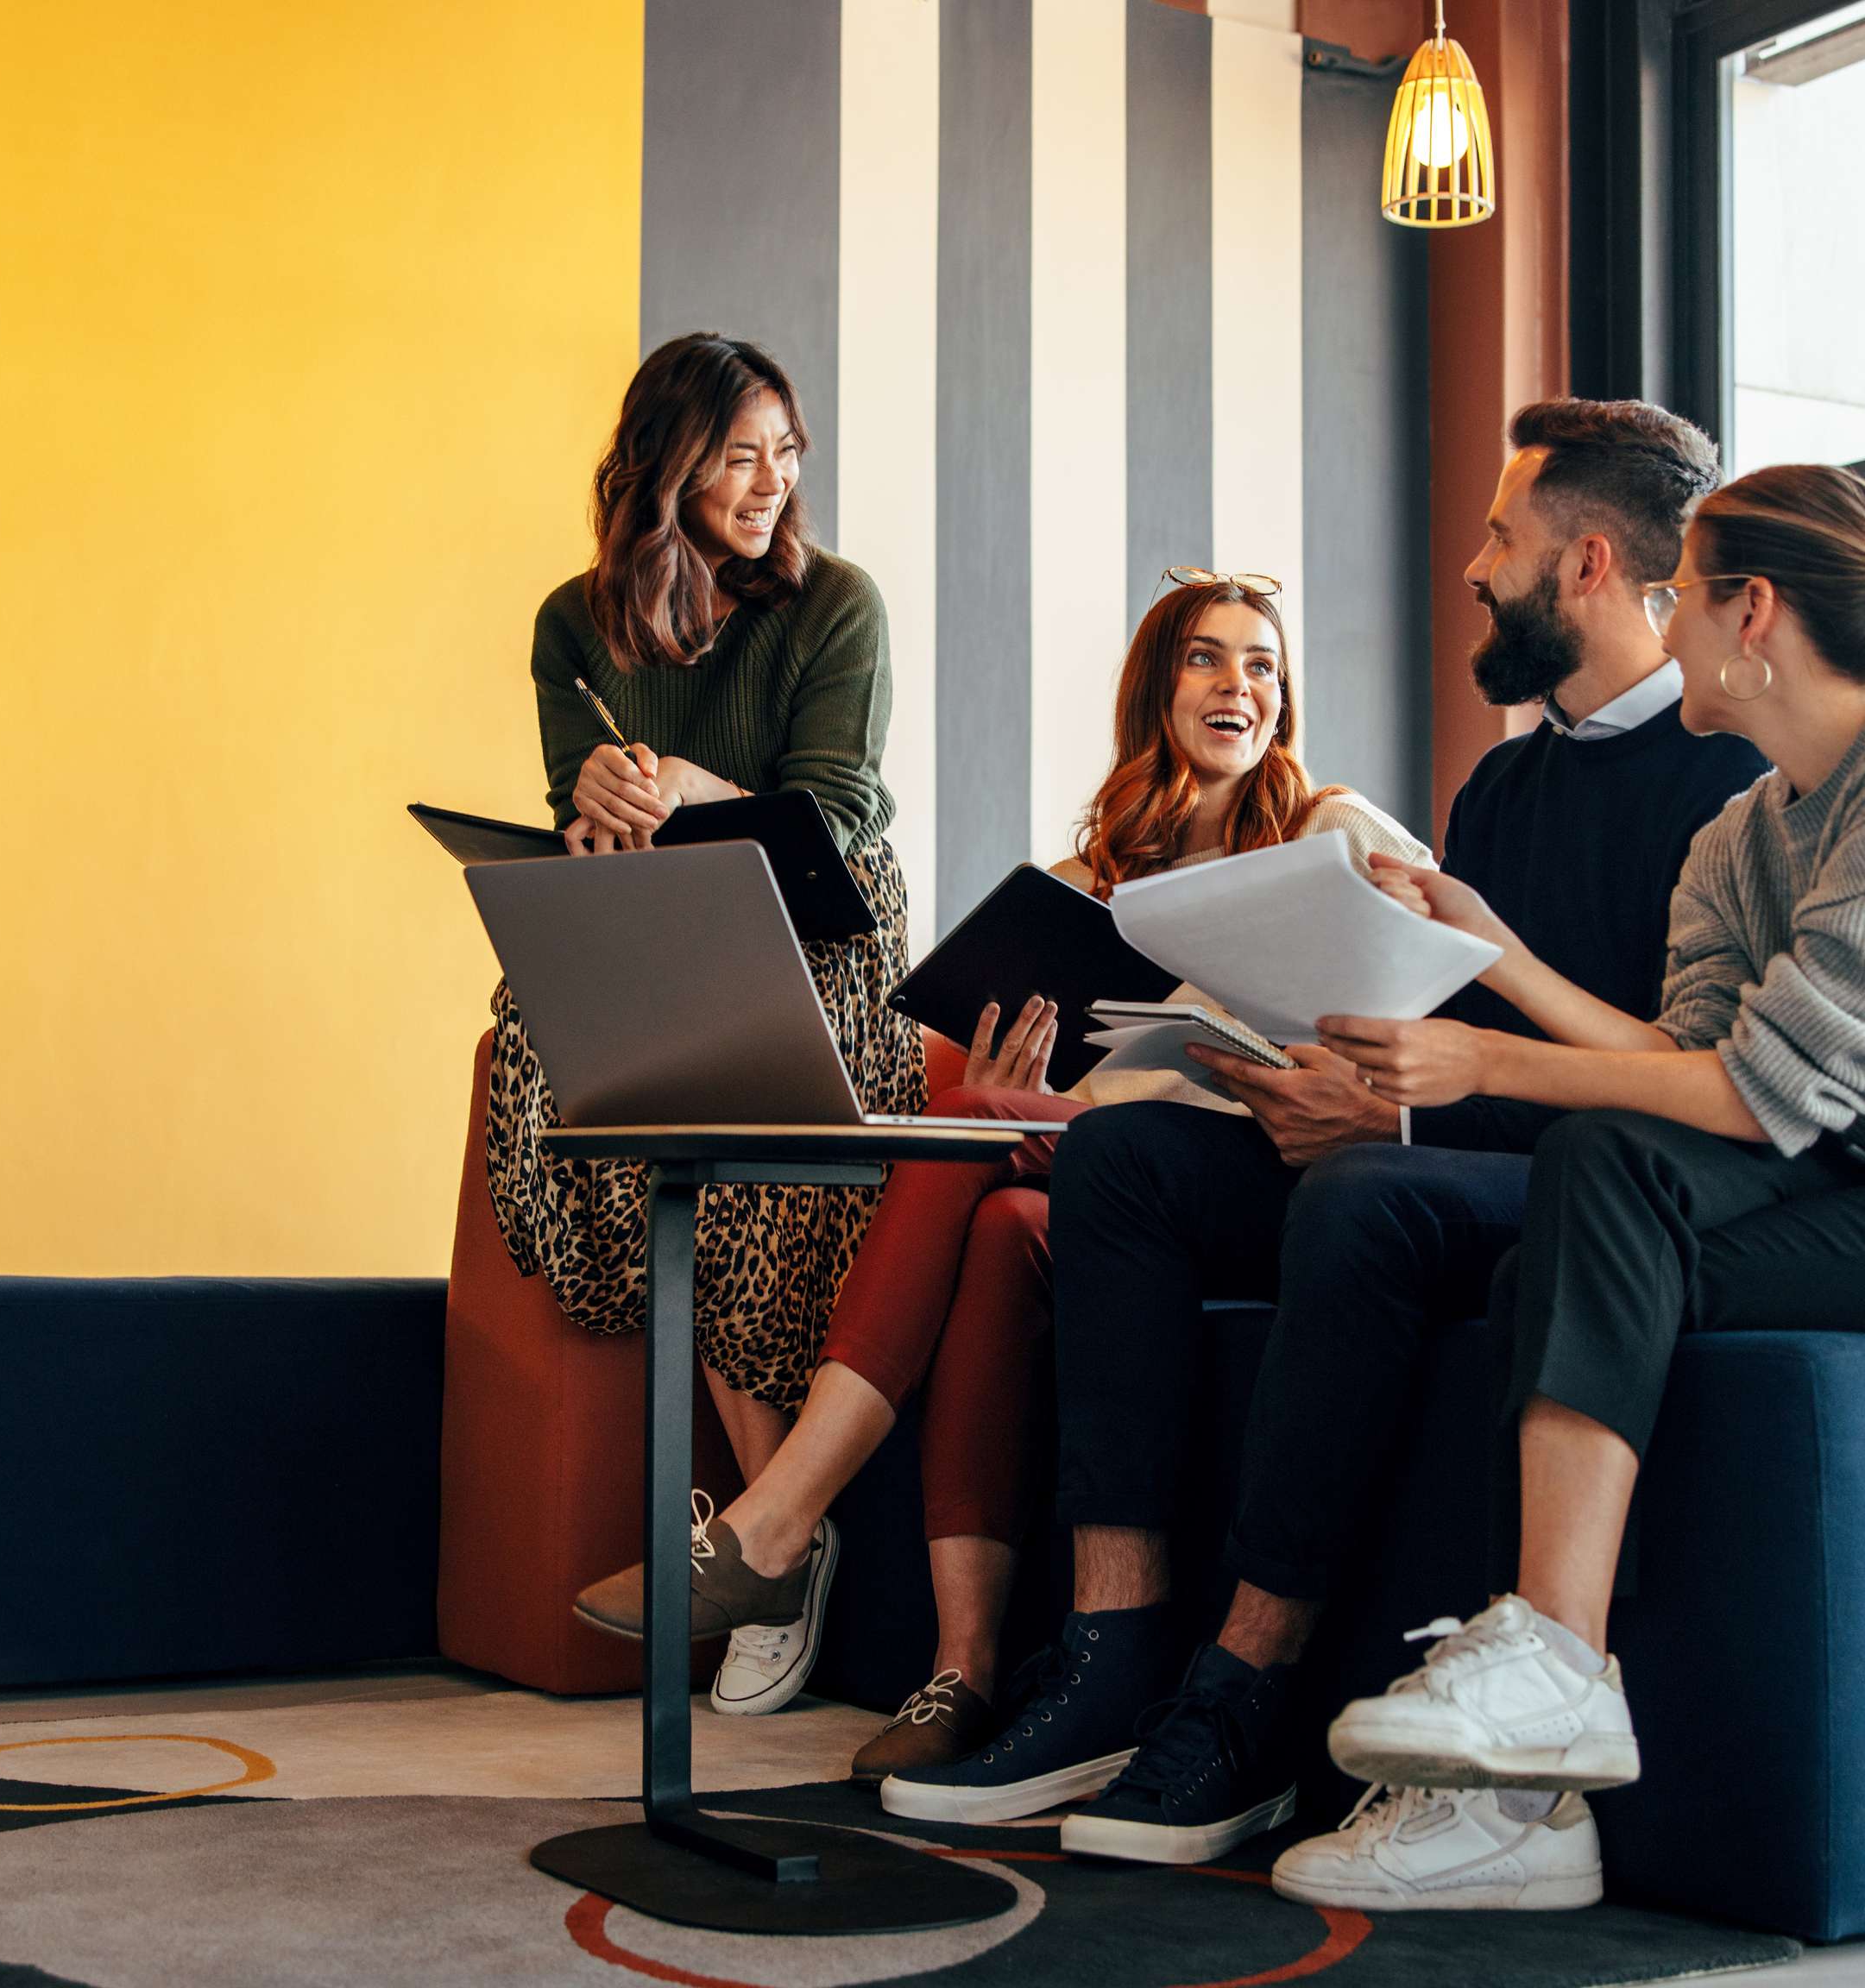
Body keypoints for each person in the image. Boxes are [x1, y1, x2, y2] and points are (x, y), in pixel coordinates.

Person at [1259, 462, 1865, 1911]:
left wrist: (1484, 1062)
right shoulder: (1744, 833)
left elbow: (1746, 1098)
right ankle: (1526, 1807)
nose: (1660, 622)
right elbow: (1688, 1056)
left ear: (1750, 612)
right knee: (1562, 1252)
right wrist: (1495, 956)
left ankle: (1551, 1677)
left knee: (1599, 1171)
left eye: (1681, 594)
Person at [882, 399, 1770, 1859]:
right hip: (1447, 1151)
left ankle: (1246, 1697)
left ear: (1592, 563)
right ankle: (1111, 1659)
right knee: (1124, 1165)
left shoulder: (1728, 782)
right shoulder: (1501, 786)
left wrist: (1392, 1121)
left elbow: (1678, 1084)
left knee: (1362, 1199)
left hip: (1600, 1186)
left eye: (1500, 536)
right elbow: (1434, 1014)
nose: (1474, 567)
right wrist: (1351, 1090)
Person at [572, 569, 1429, 1765]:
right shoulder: (1084, 889)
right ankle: (959, 1673)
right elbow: (1072, 1097)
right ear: (1156, 692)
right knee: (983, 1178)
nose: (1239, 684)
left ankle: (775, 1528)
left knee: (998, 1150)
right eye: (1207, 659)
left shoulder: (1329, 830)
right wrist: (1006, 1087)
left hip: (1274, 1176)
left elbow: (1434, 980)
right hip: (1106, 1190)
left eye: (1263, 664)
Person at [485, 331, 924, 1721]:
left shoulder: (836, 604)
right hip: (661, 917)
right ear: (665, 464)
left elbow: (837, 819)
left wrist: (688, 783)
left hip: (822, 929)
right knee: (552, 1059)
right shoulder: (574, 620)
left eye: (786, 452)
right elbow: (578, 798)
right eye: (740, 454)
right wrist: (600, 806)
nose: (769, 480)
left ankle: (767, 1541)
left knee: (735, 1143)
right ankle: (775, 1544)